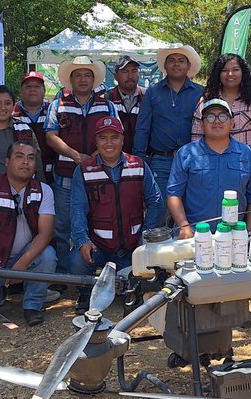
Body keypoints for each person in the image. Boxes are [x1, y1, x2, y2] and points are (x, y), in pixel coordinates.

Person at [66, 116, 164, 312]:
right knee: (76, 262)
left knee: (148, 270)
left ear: (122, 139)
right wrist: (82, 240)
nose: (109, 143)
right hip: (99, 246)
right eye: (103, 138)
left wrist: (145, 237)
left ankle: (132, 288)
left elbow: (156, 202)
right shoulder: (83, 170)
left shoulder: (139, 165)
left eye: (114, 137)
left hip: (132, 245)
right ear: (96, 141)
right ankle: (86, 294)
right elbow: (77, 209)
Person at [0, 139, 57, 326]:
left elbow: (45, 234)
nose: (25, 163)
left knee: (48, 255)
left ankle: (32, 306)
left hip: (26, 256)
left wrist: (21, 264)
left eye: (30, 158)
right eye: (19, 157)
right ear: (7, 161)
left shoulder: (44, 190)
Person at [45, 56, 118, 260]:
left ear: (94, 79)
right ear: (71, 79)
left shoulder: (107, 106)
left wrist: (94, 157)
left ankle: (93, 270)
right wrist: (75, 156)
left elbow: (116, 137)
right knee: (62, 227)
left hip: (99, 177)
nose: (83, 79)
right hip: (65, 179)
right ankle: (61, 275)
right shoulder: (58, 105)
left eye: (87, 75)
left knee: (98, 224)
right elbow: (51, 137)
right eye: (78, 75)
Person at [167, 98, 251, 238]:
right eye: (210, 117)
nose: (217, 121)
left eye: (223, 116)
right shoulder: (186, 153)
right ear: (202, 124)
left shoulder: (246, 154)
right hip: (195, 235)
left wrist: (248, 233)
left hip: (234, 236)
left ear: (232, 123)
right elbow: (174, 194)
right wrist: (184, 226)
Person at [132, 44, 204, 217]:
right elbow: (142, 128)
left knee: (191, 210)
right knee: (159, 211)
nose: (176, 64)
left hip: (193, 160)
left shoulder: (200, 92)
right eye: (171, 60)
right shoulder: (153, 92)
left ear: (188, 66)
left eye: (181, 61)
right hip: (160, 161)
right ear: (164, 66)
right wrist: (140, 161)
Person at [190, 53, 251, 188]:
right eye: (224, 70)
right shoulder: (207, 99)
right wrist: (197, 162)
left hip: (247, 163)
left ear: (243, 73)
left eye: (235, 70)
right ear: (218, 73)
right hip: (212, 163)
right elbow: (197, 134)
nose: (230, 74)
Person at [14, 71, 54, 181]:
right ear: (21, 91)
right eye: (28, 87)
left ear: (44, 91)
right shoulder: (12, 112)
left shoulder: (54, 112)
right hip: (19, 175)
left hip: (51, 174)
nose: (33, 90)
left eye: (37, 86)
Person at [106, 55, 144, 154]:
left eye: (134, 71)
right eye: (125, 71)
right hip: (114, 158)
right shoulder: (107, 98)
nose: (130, 76)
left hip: (142, 158)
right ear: (115, 76)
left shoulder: (147, 97)